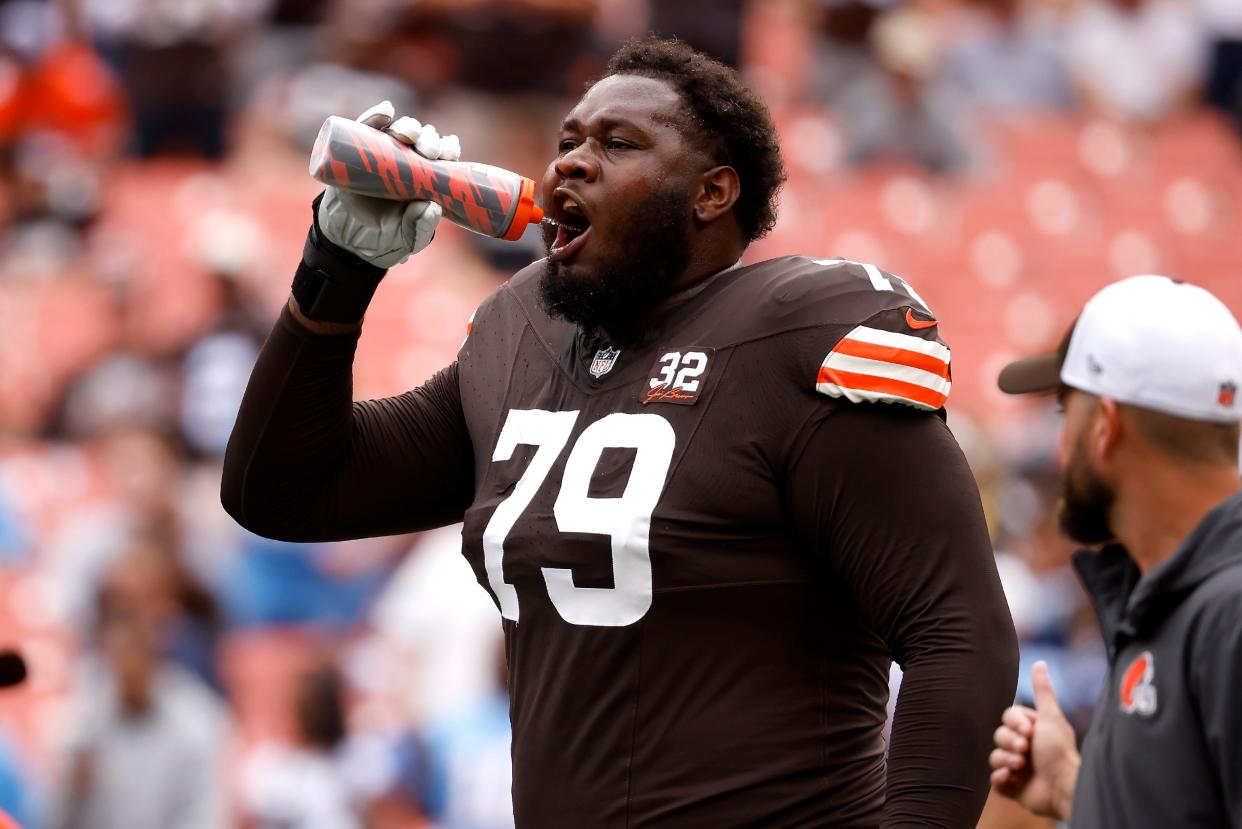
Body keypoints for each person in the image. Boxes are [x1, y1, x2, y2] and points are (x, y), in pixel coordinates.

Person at [223, 37, 1017, 827]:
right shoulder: (520, 335)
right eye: (566, 141)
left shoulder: (795, 337)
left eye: (618, 143)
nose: (570, 161)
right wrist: (338, 267)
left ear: (711, 192)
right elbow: (284, 489)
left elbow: (957, 633)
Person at [989, 275, 1242, 827]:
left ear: (1104, 426)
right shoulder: (1170, 594)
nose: (1059, 454)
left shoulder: (1227, 611)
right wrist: (1074, 791)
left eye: (1064, 415)